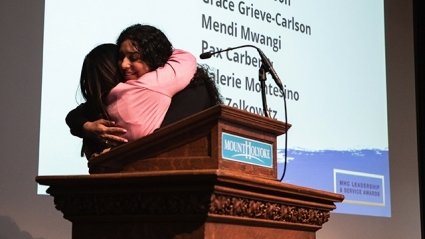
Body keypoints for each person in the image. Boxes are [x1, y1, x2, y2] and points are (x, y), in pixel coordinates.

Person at [66, 24, 222, 159]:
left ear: (153, 56)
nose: (124, 65)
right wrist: (87, 127)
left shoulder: (188, 88)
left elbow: (168, 138)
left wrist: (115, 153)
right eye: (121, 57)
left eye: (134, 58)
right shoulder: (117, 92)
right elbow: (75, 115)